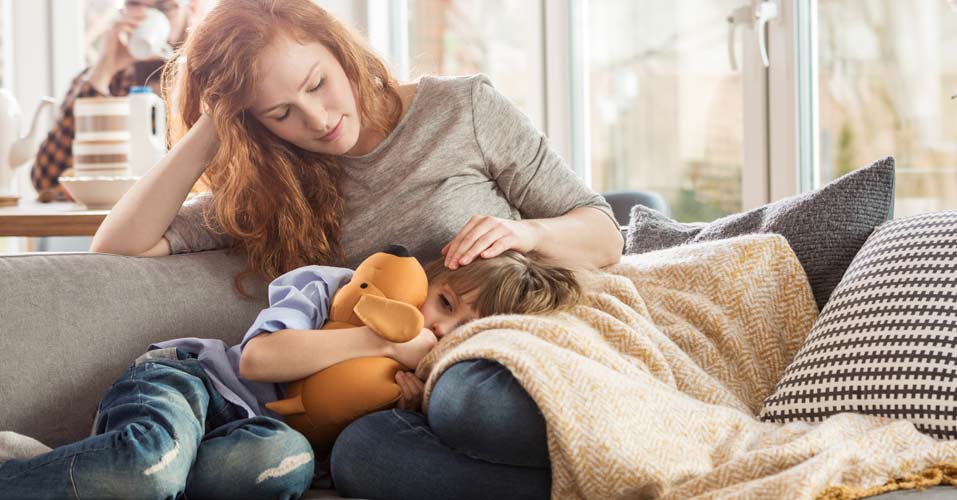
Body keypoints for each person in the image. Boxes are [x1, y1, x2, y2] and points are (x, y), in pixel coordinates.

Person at [88, 0, 623, 498]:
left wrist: (529, 234)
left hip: (500, 355)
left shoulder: (462, 110)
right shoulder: (277, 187)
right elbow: (118, 246)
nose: (317, 120)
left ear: (339, 50)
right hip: (393, 394)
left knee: (472, 405)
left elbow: (604, 234)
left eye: (317, 84)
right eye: (280, 113)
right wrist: (213, 123)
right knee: (361, 457)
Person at [0, 250, 582, 499]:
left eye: (463, 330)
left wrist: (406, 401)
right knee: (151, 466)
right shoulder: (339, 289)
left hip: (258, 438)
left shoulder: (436, 389)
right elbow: (258, 361)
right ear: (428, 277)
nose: (441, 329)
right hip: (191, 383)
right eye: (446, 303)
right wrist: (378, 338)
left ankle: (52, 468)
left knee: (281, 468)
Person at [32, 0, 204, 202]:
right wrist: (103, 70)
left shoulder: (210, 80)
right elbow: (47, 179)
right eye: (135, 5)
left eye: (163, 7)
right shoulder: (105, 81)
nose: (146, 16)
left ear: (191, 9)